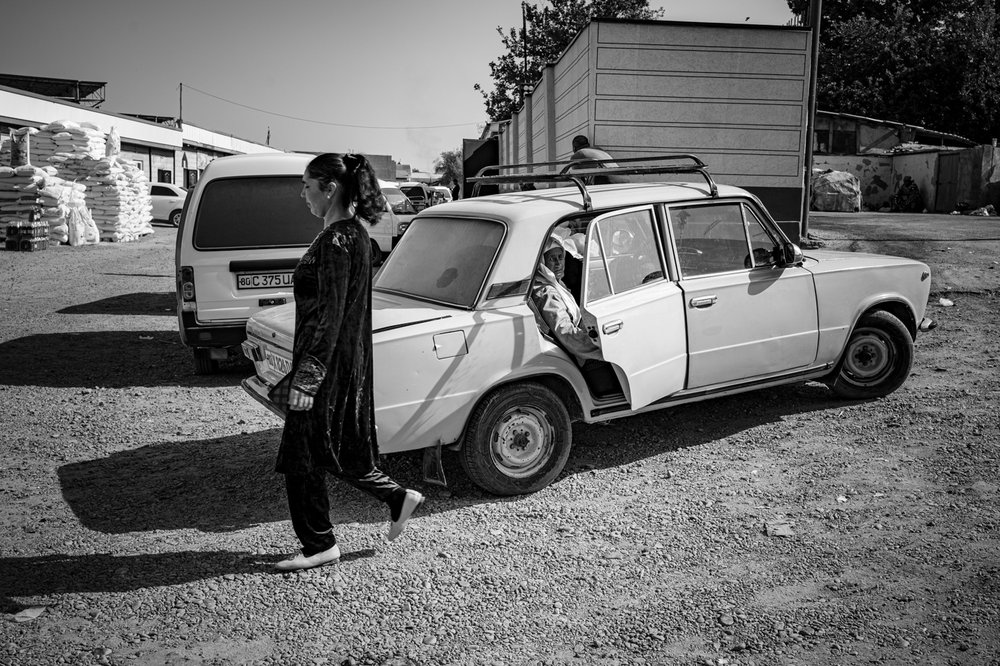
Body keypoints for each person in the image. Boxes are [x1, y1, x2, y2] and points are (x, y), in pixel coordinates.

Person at [270, 152, 424, 572]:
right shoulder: (351, 234)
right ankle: (395, 498)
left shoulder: (339, 240)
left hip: (325, 369)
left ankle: (320, 544)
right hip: (336, 365)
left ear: (329, 188)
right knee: (328, 449)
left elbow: (332, 315)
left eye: (307, 185)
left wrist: (308, 377)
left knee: (303, 454)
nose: (302, 194)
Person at [530, 233, 602, 365]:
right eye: (552, 259)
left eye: (560, 257)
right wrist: (601, 347)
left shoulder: (555, 282)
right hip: (580, 355)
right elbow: (567, 333)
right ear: (542, 263)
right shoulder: (547, 292)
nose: (558, 264)